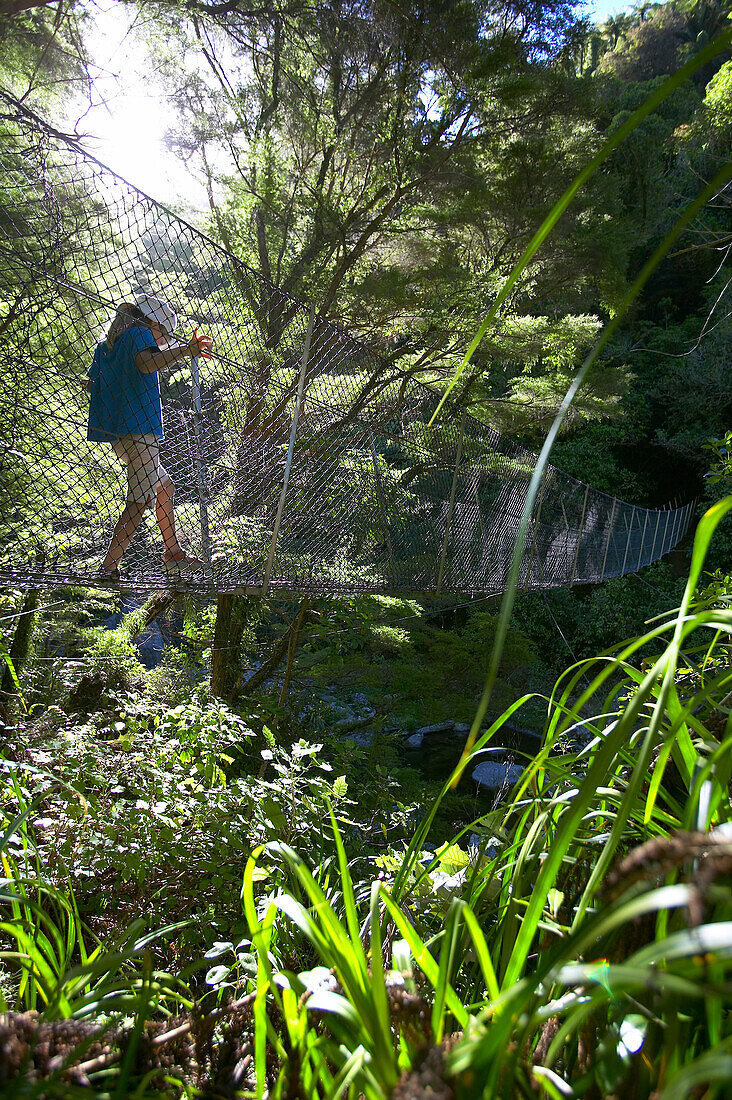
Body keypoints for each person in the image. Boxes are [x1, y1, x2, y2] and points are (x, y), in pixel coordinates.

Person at [87, 293, 213, 582]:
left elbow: (91, 382)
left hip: (118, 430)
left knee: (163, 487)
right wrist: (186, 350)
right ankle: (108, 568)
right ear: (154, 323)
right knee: (140, 498)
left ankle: (173, 553)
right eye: (163, 334)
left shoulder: (106, 346)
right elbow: (146, 363)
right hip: (140, 429)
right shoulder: (140, 333)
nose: (161, 341)